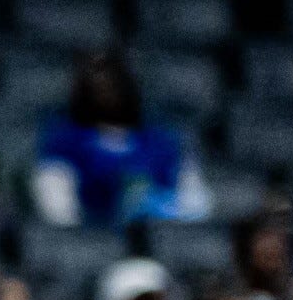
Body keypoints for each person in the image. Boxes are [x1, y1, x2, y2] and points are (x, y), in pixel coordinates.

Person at [37, 49, 209, 226]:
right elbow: (58, 210)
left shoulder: (163, 142)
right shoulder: (65, 143)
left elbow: (195, 206)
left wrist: (161, 210)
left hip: (160, 240)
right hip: (93, 243)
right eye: (98, 82)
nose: (107, 89)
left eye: (114, 81)